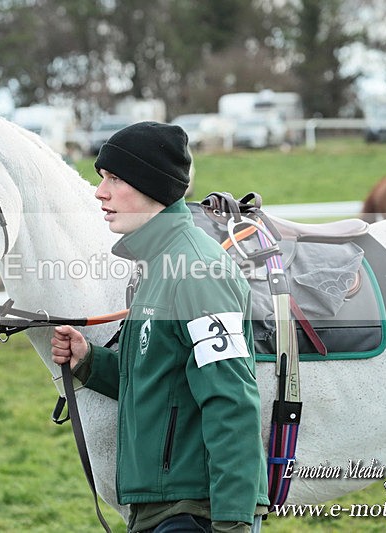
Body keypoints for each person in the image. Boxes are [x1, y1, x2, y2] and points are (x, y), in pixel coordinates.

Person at [51, 122, 269, 532]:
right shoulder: (159, 267)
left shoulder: (197, 271)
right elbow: (160, 384)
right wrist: (90, 362)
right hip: (164, 508)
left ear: (150, 185)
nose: (101, 192)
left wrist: (233, 523)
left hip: (197, 514)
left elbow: (232, 402)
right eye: (102, 179)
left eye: (114, 178)